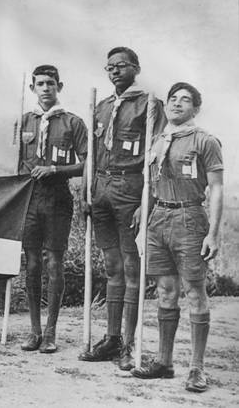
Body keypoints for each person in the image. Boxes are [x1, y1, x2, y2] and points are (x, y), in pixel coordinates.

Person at [131, 82, 223, 393]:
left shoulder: (205, 140)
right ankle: (164, 362)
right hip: (159, 218)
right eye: (173, 99)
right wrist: (144, 226)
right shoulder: (157, 140)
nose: (177, 103)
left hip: (190, 218)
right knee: (166, 291)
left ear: (196, 108)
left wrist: (213, 234)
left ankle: (197, 368)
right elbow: (149, 186)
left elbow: (217, 188)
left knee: (195, 292)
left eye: (185, 100)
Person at [79, 47, 166, 369]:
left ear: (136, 68)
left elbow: (158, 155)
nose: (115, 71)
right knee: (111, 267)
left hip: (130, 188)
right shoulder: (102, 106)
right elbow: (91, 154)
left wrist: (148, 199)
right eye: (110, 67)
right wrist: (85, 191)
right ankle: (111, 339)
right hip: (101, 187)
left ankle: (129, 344)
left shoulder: (149, 104)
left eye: (121, 65)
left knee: (131, 267)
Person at [18, 65, 87, 353]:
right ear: (32, 88)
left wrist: (56, 169)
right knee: (32, 264)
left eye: (50, 83)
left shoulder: (72, 122)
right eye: (40, 84)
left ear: (59, 86)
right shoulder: (24, 121)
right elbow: (18, 164)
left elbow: (88, 163)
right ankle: (34, 330)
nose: (45, 88)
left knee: (54, 263)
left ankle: (50, 332)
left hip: (57, 198)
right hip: (30, 199)